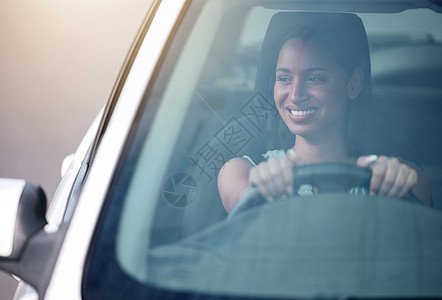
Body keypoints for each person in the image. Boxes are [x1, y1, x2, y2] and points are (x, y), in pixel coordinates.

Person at [218, 12, 431, 213]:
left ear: (354, 84)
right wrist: (263, 192)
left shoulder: (395, 179)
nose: (295, 95)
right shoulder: (243, 173)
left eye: (314, 78)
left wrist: (395, 190)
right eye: (284, 79)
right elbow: (246, 213)